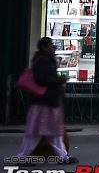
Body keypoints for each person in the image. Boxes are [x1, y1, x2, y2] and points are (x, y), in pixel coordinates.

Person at [17, 36, 78, 164]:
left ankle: (62, 156)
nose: (54, 47)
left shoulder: (41, 60)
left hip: (44, 101)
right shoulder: (44, 61)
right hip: (45, 102)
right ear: (45, 47)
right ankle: (23, 157)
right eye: (51, 45)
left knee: (49, 131)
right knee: (43, 132)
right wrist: (59, 80)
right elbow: (42, 79)